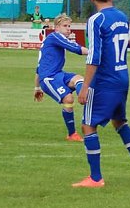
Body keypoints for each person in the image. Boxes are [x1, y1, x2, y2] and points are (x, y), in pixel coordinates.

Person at [73, 0, 130, 188]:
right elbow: (124, 45)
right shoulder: (122, 17)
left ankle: (95, 178)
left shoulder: (96, 20)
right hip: (122, 77)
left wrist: (85, 87)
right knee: (120, 122)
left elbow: (94, 56)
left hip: (104, 80)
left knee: (88, 125)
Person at [33, 13, 89, 142]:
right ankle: (72, 134)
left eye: (69, 26)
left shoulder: (54, 40)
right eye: (65, 26)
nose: (68, 28)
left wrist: (36, 88)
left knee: (79, 79)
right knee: (68, 99)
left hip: (58, 74)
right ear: (56, 27)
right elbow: (75, 49)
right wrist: (97, 53)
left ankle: (87, 104)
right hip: (48, 78)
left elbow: (38, 66)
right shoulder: (55, 36)